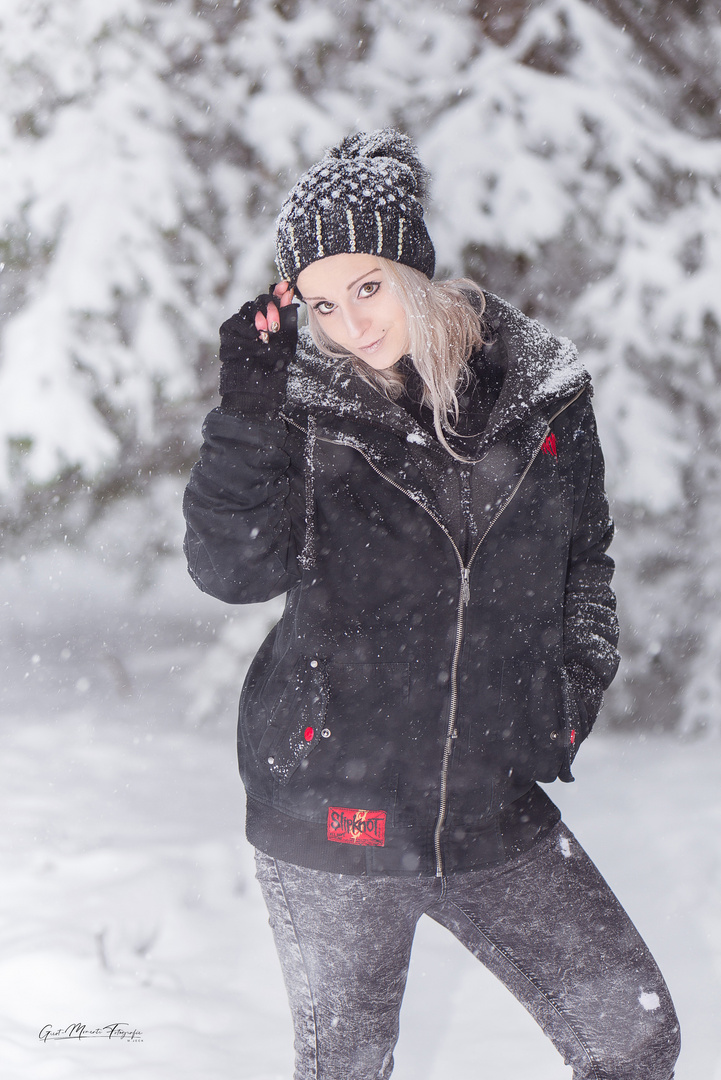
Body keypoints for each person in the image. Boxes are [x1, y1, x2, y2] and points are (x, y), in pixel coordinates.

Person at [183, 129, 680, 1080]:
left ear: (414, 267)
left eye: (367, 287)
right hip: (334, 801)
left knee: (633, 1033)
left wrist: (565, 702)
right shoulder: (303, 407)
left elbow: (586, 559)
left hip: (488, 798)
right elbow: (230, 568)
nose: (351, 325)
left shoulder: (540, 394)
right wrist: (244, 412)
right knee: (348, 1067)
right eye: (322, 304)